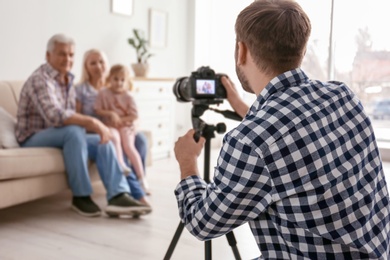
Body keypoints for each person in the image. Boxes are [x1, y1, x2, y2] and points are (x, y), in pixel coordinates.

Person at [173, 1, 390, 259]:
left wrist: (187, 163)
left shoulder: (249, 142)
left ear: (241, 51)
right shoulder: (343, 96)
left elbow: (202, 222)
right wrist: (242, 106)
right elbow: (290, 132)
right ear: (302, 48)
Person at [15, 33, 151, 218]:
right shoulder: (41, 79)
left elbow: (70, 116)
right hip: (33, 137)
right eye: (62, 54)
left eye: (71, 55)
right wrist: (93, 122)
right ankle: (81, 196)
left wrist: (101, 129)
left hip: (59, 133)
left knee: (104, 138)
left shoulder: (67, 80)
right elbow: (55, 116)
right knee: (74, 130)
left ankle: (118, 195)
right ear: (48, 56)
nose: (67, 59)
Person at [74, 49, 151, 203]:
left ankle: (141, 180)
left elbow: (132, 112)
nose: (98, 66)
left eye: (101, 61)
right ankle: (134, 191)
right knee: (114, 142)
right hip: (97, 129)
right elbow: (78, 116)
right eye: (93, 63)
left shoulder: (115, 83)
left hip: (120, 125)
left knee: (141, 140)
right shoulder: (80, 89)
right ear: (86, 67)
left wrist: (133, 125)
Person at [94, 64, 150, 194]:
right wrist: (110, 114)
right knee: (115, 139)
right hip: (110, 126)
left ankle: (142, 178)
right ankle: (121, 165)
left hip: (125, 126)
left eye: (122, 80)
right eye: (115, 79)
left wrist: (121, 120)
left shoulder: (129, 97)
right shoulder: (103, 93)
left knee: (129, 147)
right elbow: (97, 109)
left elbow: (134, 115)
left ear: (126, 81)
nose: (119, 83)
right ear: (110, 79)